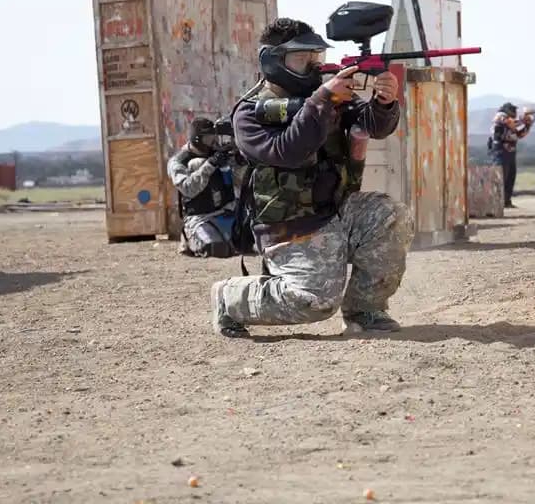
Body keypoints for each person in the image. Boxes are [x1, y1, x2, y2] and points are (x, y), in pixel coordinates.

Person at [209, 17, 414, 339]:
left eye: (316, 56)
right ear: (273, 60)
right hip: (290, 226)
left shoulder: (326, 97)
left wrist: (384, 103)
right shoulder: (249, 114)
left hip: (336, 210)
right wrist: (322, 101)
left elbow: (371, 126)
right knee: (314, 303)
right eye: (302, 58)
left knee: (389, 215)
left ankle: (364, 311)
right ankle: (230, 298)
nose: (314, 65)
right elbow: (287, 151)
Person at [167, 117, 240, 258]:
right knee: (216, 249)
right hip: (200, 217)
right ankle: (189, 238)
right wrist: (210, 165)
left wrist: (237, 159)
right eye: (208, 139)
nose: (213, 143)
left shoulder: (218, 153)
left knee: (253, 243)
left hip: (227, 212)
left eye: (214, 138)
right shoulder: (179, 162)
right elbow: (188, 189)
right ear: (197, 139)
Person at [488, 102, 535, 208]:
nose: (514, 112)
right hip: (499, 151)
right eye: (512, 110)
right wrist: (523, 119)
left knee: (510, 177)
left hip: (510, 152)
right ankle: (496, 202)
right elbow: (511, 123)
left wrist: (528, 124)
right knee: (500, 177)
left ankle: (506, 201)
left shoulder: (512, 122)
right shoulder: (500, 116)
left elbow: (520, 134)